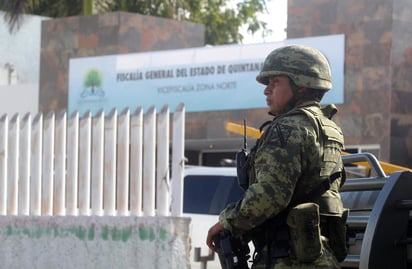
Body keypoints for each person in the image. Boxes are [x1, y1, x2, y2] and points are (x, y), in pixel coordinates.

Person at [206, 44, 347, 269]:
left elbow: (270, 195)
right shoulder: (327, 127)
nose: (266, 90)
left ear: (301, 85)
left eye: (275, 82)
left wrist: (227, 222)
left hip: (287, 258)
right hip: (319, 256)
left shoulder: (288, 128)